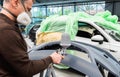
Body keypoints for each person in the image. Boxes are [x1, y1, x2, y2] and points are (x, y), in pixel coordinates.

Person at [0, 0, 63, 77]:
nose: (29, 14)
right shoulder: (6, 30)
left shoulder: (7, 24)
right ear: (15, 2)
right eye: (28, 9)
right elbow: (27, 69)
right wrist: (51, 59)